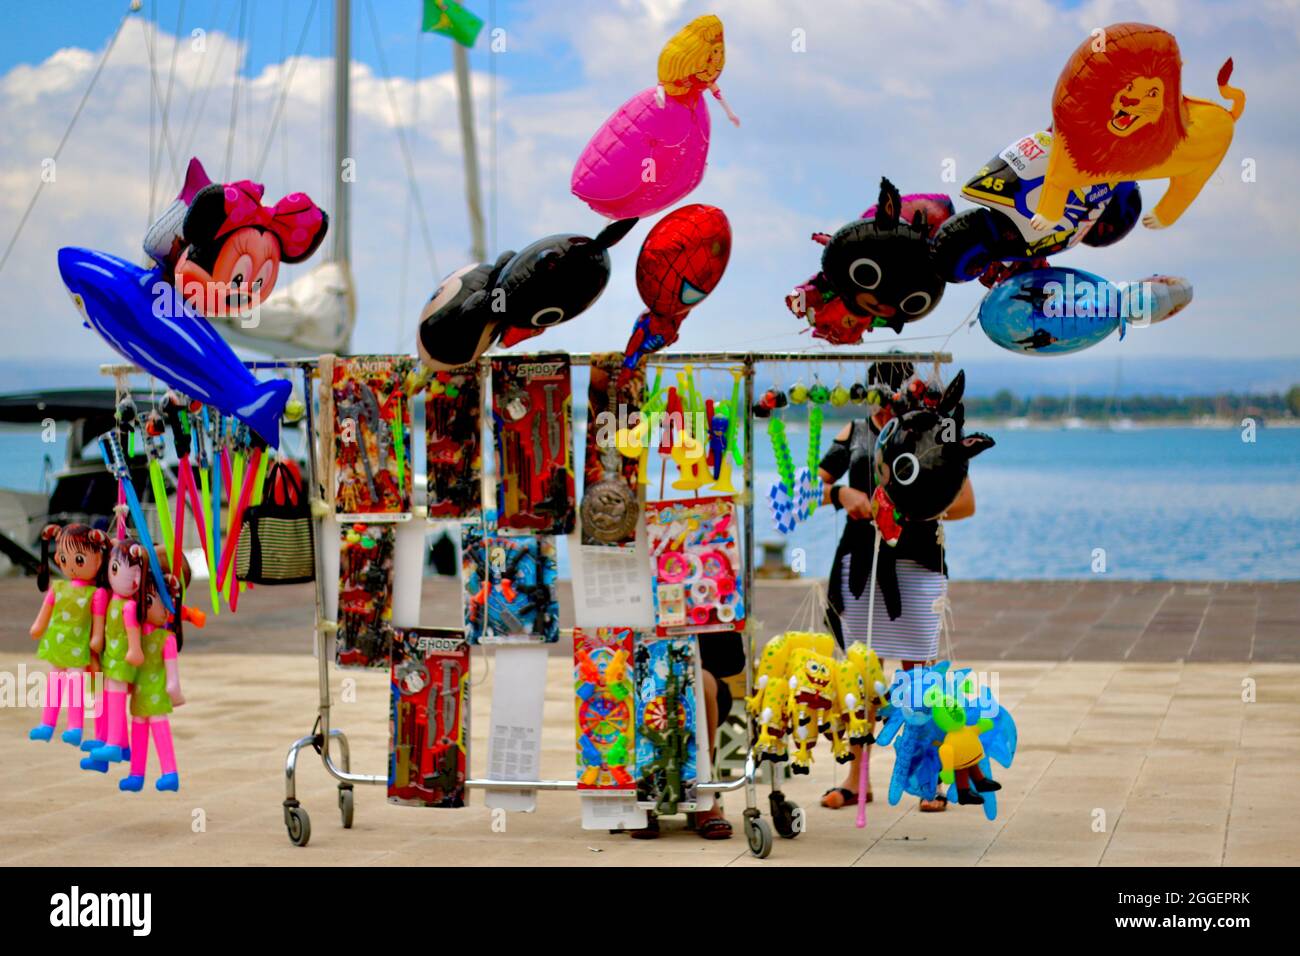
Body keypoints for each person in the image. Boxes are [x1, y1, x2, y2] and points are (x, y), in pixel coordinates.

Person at [816, 360, 976, 813]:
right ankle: (856, 777)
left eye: (891, 399)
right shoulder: (853, 433)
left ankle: (932, 777)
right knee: (860, 675)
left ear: (909, 395)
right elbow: (809, 485)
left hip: (916, 563)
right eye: (876, 399)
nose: (883, 408)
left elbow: (965, 502)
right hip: (861, 565)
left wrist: (908, 511)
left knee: (920, 679)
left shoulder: (928, 432)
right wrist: (840, 495)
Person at [630, 634, 743, 839]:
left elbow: (732, 661)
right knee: (630, 685)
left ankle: (704, 792)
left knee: (701, 680)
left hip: (697, 687)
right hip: (643, 682)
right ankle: (642, 794)